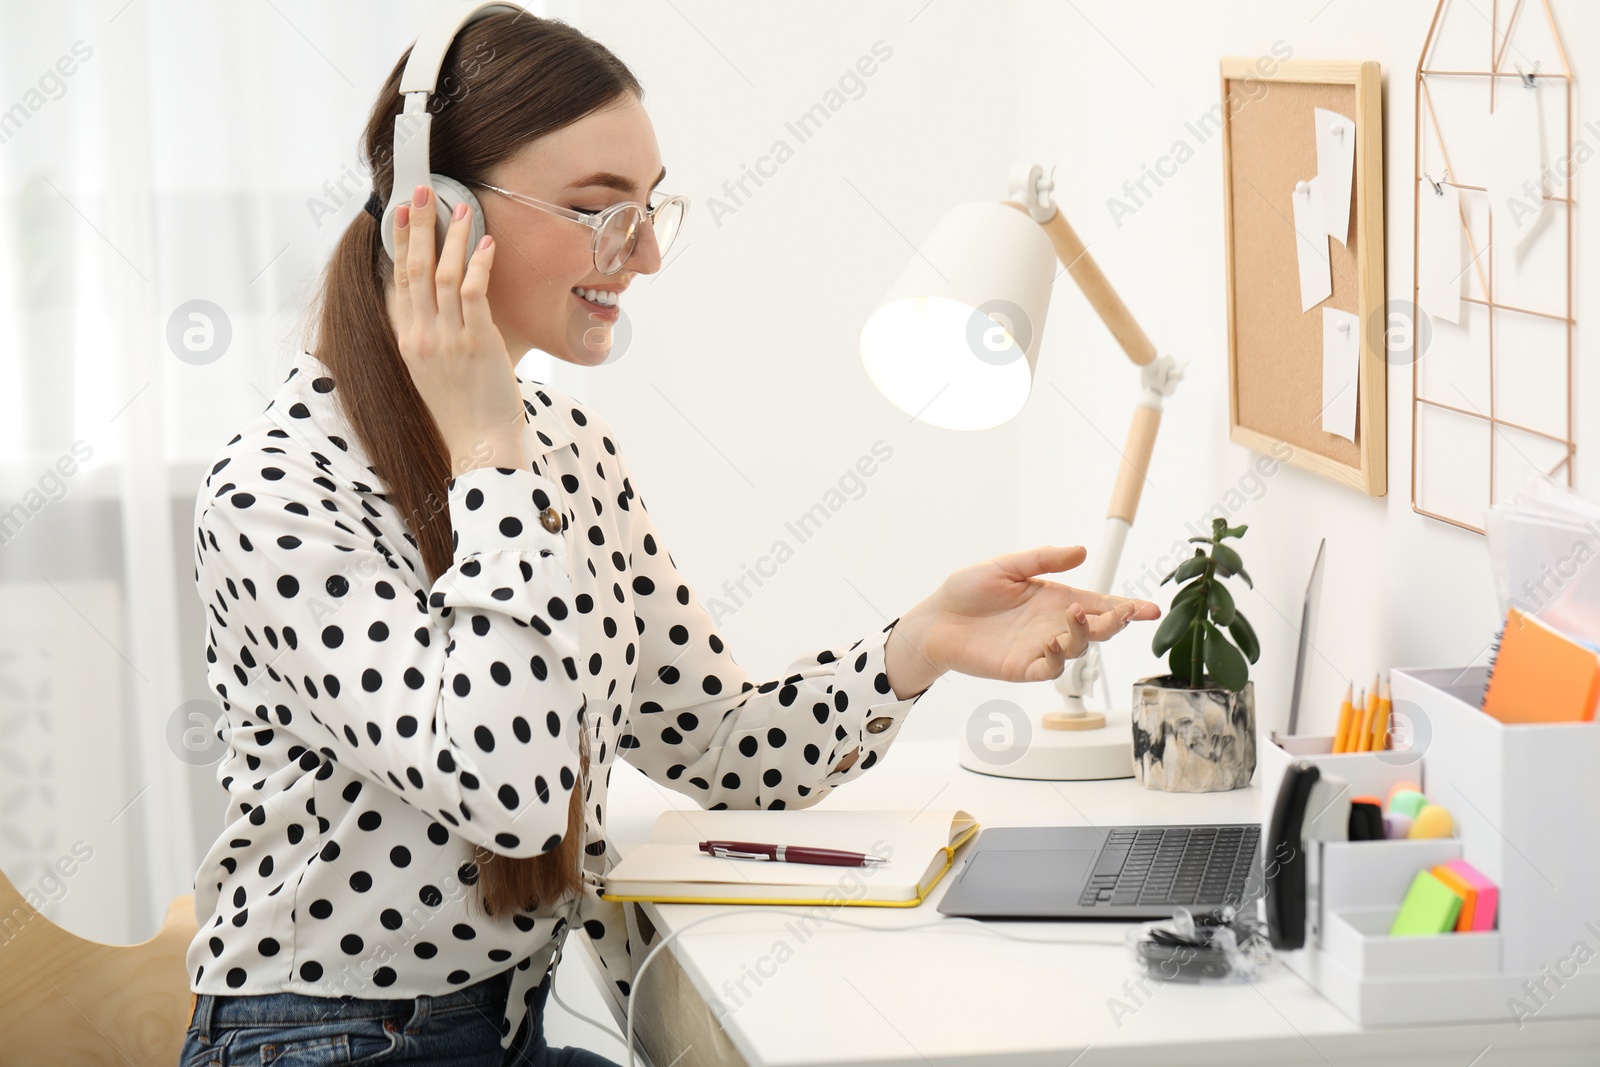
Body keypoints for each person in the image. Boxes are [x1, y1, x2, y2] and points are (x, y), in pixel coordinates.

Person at [178, 9, 1160, 1066]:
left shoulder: (563, 447)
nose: (642, 254)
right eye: (601, 210)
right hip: (325, 1040)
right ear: (440, 218)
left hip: (506, 1027)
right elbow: (510, 794)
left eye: (651, 210)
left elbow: (716, 745)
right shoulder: (277, 490)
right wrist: (488, 455)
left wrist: (915, 645)